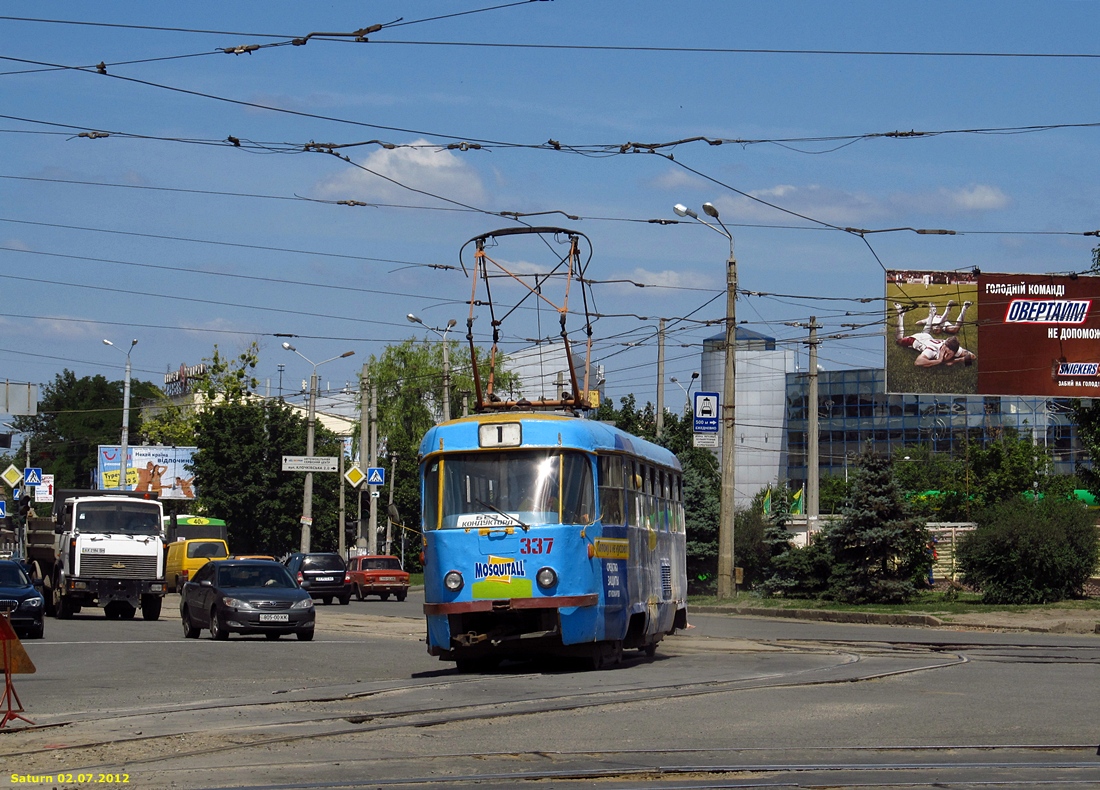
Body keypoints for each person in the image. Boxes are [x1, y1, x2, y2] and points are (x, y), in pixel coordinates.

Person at [895, 302, 976, 368]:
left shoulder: (955, 349)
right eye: (945, 351)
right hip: (916, 340)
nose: (945, 355)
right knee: (899, 341)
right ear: (943, 346)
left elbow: (973, 356)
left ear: (954, 353)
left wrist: (955, 361)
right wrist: (938, 360)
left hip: (928, 337)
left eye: (949, 354)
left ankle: (931, 314)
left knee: (925, 333)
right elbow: (918, 362)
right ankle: (900, 315)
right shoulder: (932, 350)